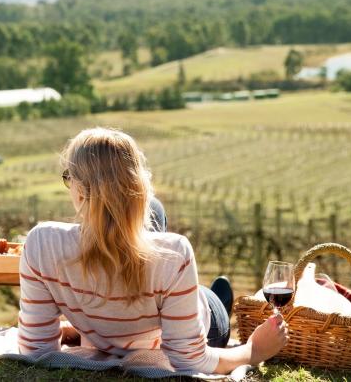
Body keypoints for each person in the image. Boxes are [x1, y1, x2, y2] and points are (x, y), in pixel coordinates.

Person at [18, 128, 288, 374]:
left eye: (68, 178)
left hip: (131, 320)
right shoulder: (175, 253)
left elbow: (36, 352)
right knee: (158, 220)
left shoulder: (40, 243)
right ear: (139, 189)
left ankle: (210, 297)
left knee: (157, 225)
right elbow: (192, 361)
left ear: (78, 192)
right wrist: (255, 350)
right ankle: (217, 301)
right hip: (200, 323)